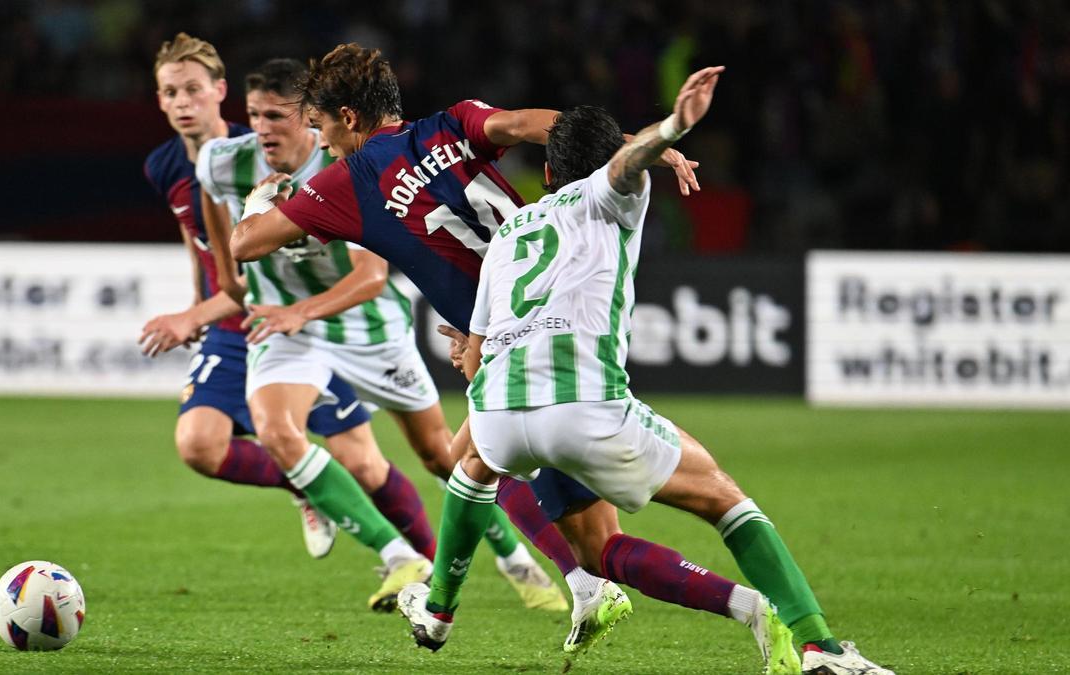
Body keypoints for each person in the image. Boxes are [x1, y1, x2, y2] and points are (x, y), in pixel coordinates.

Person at [395, 76, 894, 674]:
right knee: (726, 501)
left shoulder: (509, 233)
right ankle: (822, 650)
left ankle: (440, 609)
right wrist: (674, 128)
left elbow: (472, 358)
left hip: (496, 413)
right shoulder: (610, 195)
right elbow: (627, 163)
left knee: (473, 468)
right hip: (583, 410)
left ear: (547, 174)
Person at [228, 43, 702, 648]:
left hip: (504, 338)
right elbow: (552, 126)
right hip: (561, 299)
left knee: (494, 470)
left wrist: (261, 199)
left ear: (348, 117)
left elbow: (244, 245)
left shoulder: (346, 179)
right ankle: (584, 584)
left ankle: (746, 601)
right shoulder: (457, 121)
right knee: (501, 472)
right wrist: (648, 146)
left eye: (320, 127)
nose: (319, 143)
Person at [169, 57, 565, 612]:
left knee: (448, 455)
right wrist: (634, 146)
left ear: (339, 119)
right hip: (295, 326)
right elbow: (228, 264)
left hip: (368, 322)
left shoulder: (345, 176)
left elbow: (363, 273)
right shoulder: (222, 162)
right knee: (283, 434)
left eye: (293, 119)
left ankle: (527, 563)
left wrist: (264, 217)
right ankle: (410, 565)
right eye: (255, 115)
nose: (267, 128)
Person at [138, 33, 369, 561]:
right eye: (171, 92)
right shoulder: (164, 166)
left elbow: (254, 271)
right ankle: (302, 485)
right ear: (158, 100)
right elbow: (199, 245)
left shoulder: (259, 151)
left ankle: (429, 562)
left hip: (291, 319)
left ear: (220, 92)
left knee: (361, 461)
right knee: (197, 446)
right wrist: (201, 307)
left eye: (193, 89)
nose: (182, 103)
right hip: (226, 321)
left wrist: (194, 312)